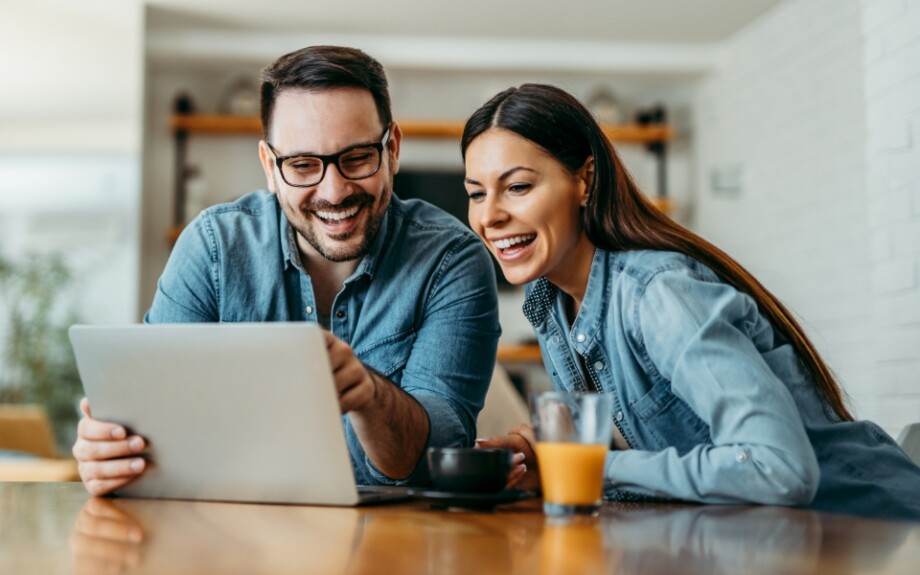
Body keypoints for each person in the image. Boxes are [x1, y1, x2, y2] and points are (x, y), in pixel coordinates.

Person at [464, 83, 920, 520]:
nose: (490, 216)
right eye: (476, 194)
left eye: (518, 187)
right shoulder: (552, 307)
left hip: (879, 533)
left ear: (585, 180)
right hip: (765, 544)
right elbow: (634, 450)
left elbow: (779, 468)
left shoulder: (660, 293)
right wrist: (543, 452)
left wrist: (582, 467)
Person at [72, 46, 501, 496]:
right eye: (302, 165)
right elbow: (155, 421)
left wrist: (371, 397)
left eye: (356, 158)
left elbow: (436, 458)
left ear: (392, 149)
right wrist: (111, 454)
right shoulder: (213, 248)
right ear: (270, 167)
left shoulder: (453, 260)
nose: (334, 192)